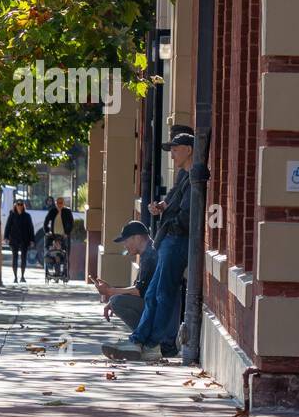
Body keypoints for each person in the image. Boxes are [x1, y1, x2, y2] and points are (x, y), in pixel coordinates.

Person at [104, 132, 193, 361]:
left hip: (176, 242)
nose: (172, 155)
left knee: (162, 294)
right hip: (168, 242)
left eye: (175, 149)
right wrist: (160, 207)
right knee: (154, 294)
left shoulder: (195, 178)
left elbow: (186, 218)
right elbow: (171, 199)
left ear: (188, 150)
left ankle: (151, 345)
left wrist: (169, 226)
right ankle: (138, 341)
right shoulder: (183, 176)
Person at [91, 220, 178, 356]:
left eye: (126, 241)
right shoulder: (148, 253)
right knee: (116, 301)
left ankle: (146, 342)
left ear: (136, 238)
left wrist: (110, 291)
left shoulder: (151, 255)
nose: (125, 246)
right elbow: (140, 288)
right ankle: (142, 340)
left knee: (117, 302)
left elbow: (140, 291)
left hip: (164, 315)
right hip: (161, 312)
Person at [42, 195, 74, 283]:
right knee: (56, 254)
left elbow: (70, 223)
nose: (59, 204)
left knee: (65, 255)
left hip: (64, 236)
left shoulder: (67, 211)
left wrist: (66, 233)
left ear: (63, 203)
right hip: (54, 236)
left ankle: (66, 274)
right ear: (56, 203)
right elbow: (46, 221)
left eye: (61, 203)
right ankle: (56, 273)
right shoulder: (52, 211)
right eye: (58, 203)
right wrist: (47, 231)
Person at [3, 200, 35, 283]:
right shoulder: (12, 215)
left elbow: (31, 228)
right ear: (15, 205)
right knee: (15, 258)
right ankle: (15, 277)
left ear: (23, 206)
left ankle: (22, 276)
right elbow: (8, 227)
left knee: (23, 258)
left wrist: (32, 240)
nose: (20, 206)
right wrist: (6, 237)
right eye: (18, 204)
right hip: (14, 239)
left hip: (24, 239)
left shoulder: (27, 216)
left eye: (21, 204)